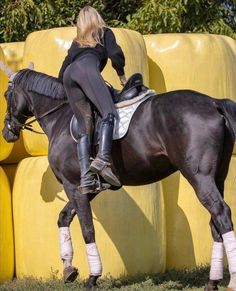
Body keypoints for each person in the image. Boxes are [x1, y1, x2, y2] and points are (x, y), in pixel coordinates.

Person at [58, 5, 127, 194]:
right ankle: (103, 160)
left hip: (69, 76)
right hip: (87, 70)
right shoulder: (104, 32)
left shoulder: (76, 43)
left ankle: (86, 178)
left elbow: (62, 71)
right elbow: (115, 55)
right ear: (97, 18)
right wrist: (121, 75)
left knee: (84, 127)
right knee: (109, 113)